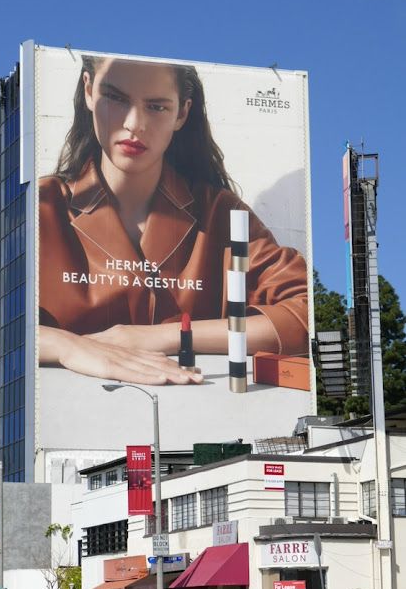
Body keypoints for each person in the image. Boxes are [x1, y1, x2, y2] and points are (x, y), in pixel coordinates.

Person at [39, 55, 308, 385]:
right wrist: (67, 345)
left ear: (182, 113)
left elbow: (308, 315)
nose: (134, 123)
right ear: (88, 90)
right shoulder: (40, 207)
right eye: (115, 97)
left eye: (156, 106)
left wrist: (162, 336)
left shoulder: (220, 214)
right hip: (64, 421)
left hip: (194, 420)